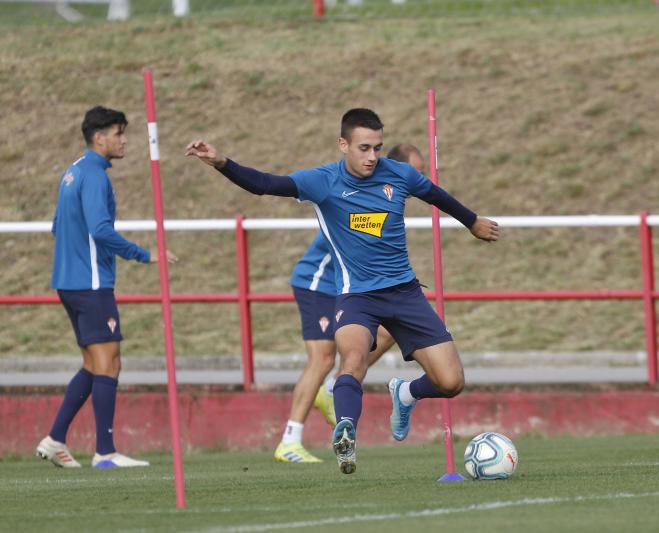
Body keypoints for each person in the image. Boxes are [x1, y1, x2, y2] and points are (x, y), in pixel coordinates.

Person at [186, 108, 499, 474]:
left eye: (377, 148)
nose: (372, 156)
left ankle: (405, 393)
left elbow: (436, 195)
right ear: (343, 145)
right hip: (357, 297)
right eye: (364, 148)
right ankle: (346, 431)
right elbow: (265, 184)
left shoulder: (399, 174)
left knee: (451, 382)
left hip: (405, 293)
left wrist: (472, 221)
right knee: (352, 359)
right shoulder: (323, 181)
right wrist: (222, 162)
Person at [36, 106, 177, 469]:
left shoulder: (72, 172)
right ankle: (105, 452)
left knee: (93, 363)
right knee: (110, 362)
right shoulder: (96, 177)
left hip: (68, 282)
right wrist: (144, 254)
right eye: (118, 133)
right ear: (99, 138)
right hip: (90, 283)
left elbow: (56, 226)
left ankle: (55, 439)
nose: (124, 140)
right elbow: (100, 230)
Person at [274, 144, 425, 463]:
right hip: (318, 283)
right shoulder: (363, 198)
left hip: (349, 289)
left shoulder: (388, 200)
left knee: (388, 331)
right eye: (416, 172)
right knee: (322, 359)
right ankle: (289, 440)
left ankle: (333, 388)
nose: (420, 180)